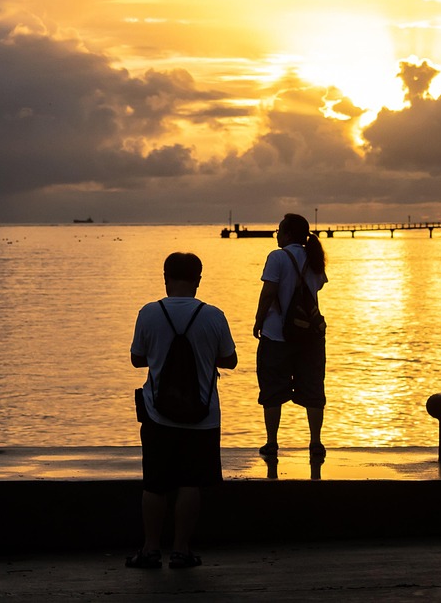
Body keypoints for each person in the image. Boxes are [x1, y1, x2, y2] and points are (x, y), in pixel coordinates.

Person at [126, 251, 237, 570]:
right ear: (198, 280)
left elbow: (137, 359)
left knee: (155, 484)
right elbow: (230, 360)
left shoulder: (149, 313)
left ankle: (150, 550)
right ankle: (181, 551)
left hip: (157, 414)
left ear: (166, 278)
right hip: (203, 417)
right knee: (191, 483)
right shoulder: (213, 315)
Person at [252, 213, 328, 459]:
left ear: (287, 234)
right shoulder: (314, 257)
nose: (276, 235)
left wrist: (258, 320)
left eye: (279, 230)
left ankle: (272, 442)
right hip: (310, 335)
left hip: (276, 334)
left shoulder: (277, 257)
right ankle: (315, 442)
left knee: (272, 389)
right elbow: (318, 287)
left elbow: (268, 293)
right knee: (313, 388)